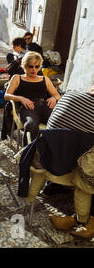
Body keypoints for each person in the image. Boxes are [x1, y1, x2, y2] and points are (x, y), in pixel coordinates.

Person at [44, 85, 94, 239]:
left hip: (49, 161)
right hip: (75, 165)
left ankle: (81, 220)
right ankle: (85, 220)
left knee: (88, 171)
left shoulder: (70, 95)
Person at [4, 52, 61, 145]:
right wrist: (21, 98)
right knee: (31, 125)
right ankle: (29, 154)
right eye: (31, 66)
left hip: (46, 106)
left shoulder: (45, 79)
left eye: (37, 66)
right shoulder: (17, 78)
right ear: (24, 65)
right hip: (28, 108)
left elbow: (57, 95)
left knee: (60, 122)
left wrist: (54, 98)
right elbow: (7, 95)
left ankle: (52, 151)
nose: (34, 69)